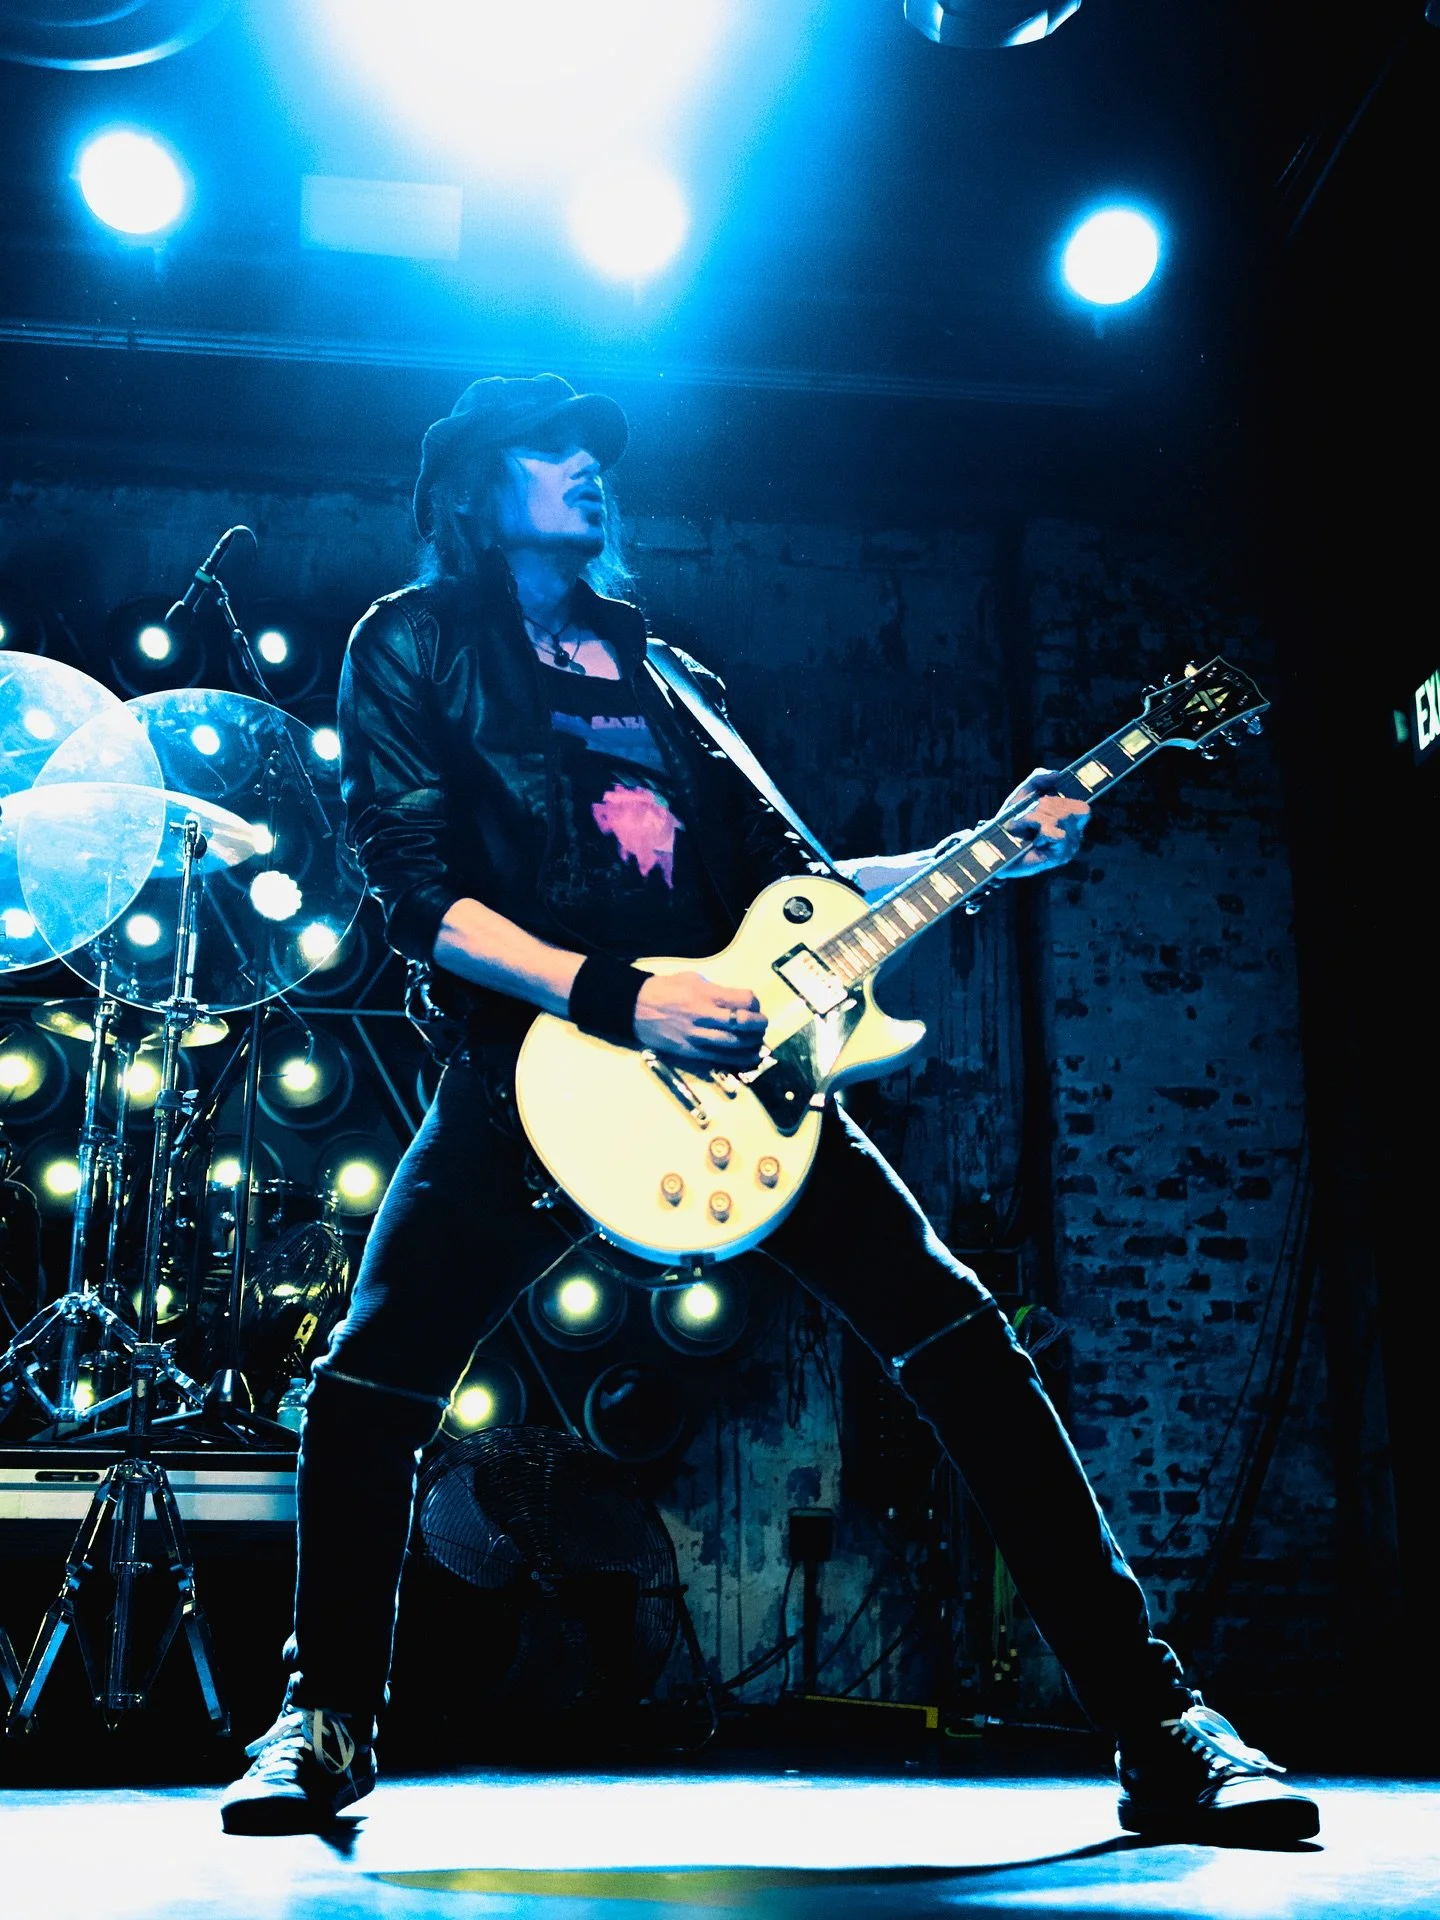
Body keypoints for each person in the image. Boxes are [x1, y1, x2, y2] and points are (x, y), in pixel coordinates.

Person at [221, 374, 1318, 1842]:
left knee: (974, 1360)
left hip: (752, 1084)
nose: (587, 472)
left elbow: (799, 896)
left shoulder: (678, 683)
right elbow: (423, 901)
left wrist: (992, 846)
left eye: (594, 453)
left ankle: (1161, 1723)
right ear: (477, 491)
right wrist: (621, 998)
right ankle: (327, 1720)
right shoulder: (414, 644)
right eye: (548, 453)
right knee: (368, 1391)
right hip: (529, 1079)